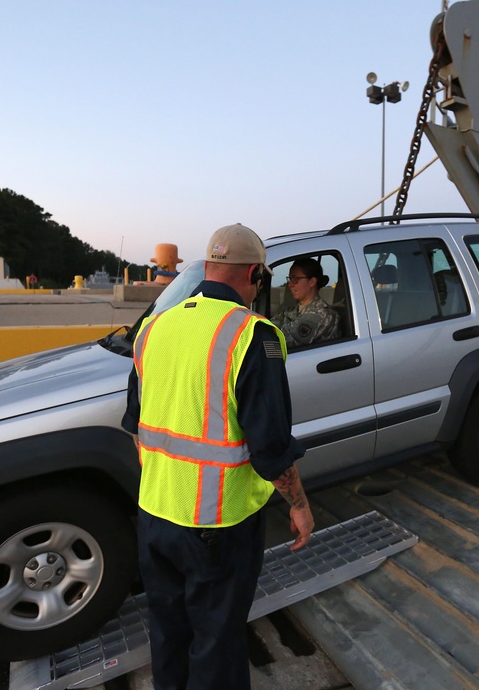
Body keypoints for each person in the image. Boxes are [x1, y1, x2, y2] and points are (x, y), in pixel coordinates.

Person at [122, 223, 314, 690]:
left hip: (154, 517)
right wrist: (300, 505)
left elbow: (136, 425)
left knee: (168, 630)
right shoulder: (252, 335)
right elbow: (270, 447)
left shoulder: (154, 328)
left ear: (207, 268)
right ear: (255, 274)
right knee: (217, 640)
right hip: (217, 525)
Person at [271, 258, 340, 347]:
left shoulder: (322, 314)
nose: (290, 284)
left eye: (295, 279)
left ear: (312, 282)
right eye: (290, 279)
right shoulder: (291, 311)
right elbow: (269, 325)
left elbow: (286, 339)